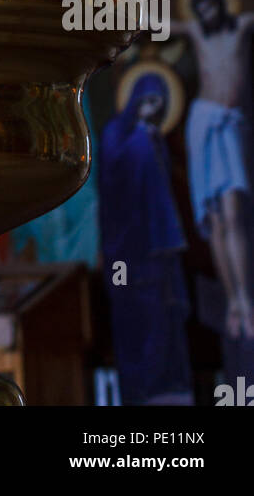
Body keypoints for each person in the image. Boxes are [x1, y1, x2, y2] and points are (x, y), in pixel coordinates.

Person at [99, 71, 193, 404]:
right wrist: (141, 142)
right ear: (134, 99)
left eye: (159, 103)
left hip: (157, 249)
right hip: (127, 248)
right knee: (134, 315)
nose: (153, 109)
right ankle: (141, 386)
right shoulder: (120, 135)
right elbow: (114, 181)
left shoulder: (151, 138)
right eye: (148, 101)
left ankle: (166, 383)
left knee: (162, 317)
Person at [171, 0, 254, 339]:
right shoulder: (194, 31)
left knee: (233, 211)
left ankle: (245, 297)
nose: (206, 13)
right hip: (203, 121)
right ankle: (234, 300)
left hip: (229, 124)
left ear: (221, 4)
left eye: (211, 6)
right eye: (200, 9)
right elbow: (153, 21)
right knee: (216, 218)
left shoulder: (240, 26)